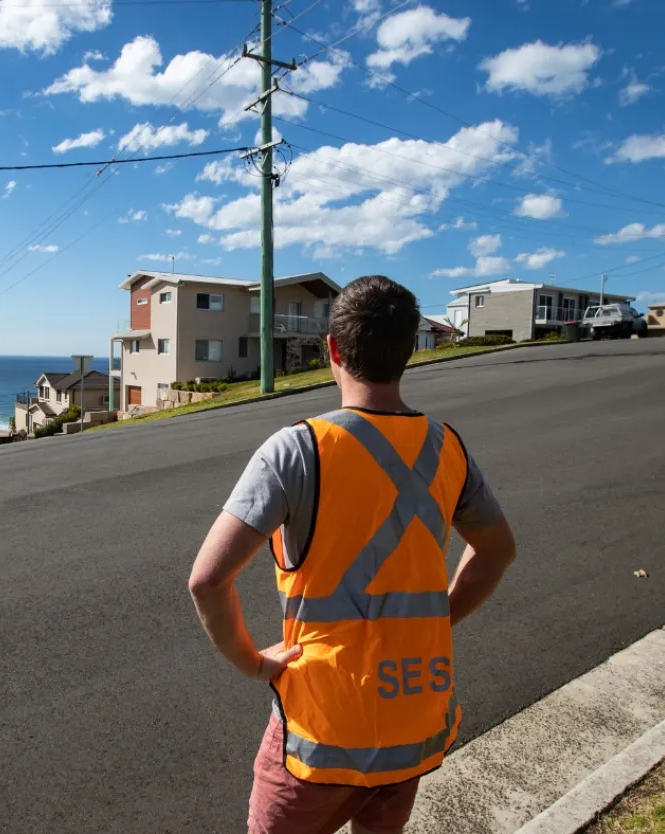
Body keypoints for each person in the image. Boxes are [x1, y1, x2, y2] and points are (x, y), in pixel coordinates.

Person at [188, 275, 518, 834]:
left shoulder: (298, 448)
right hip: (412, 717)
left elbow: (208, 579)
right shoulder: (447, 447)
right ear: (410, 350)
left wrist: (253, 663)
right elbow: (496, 550)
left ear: (333, 350)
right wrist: (438, 614)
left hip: (323, 725)